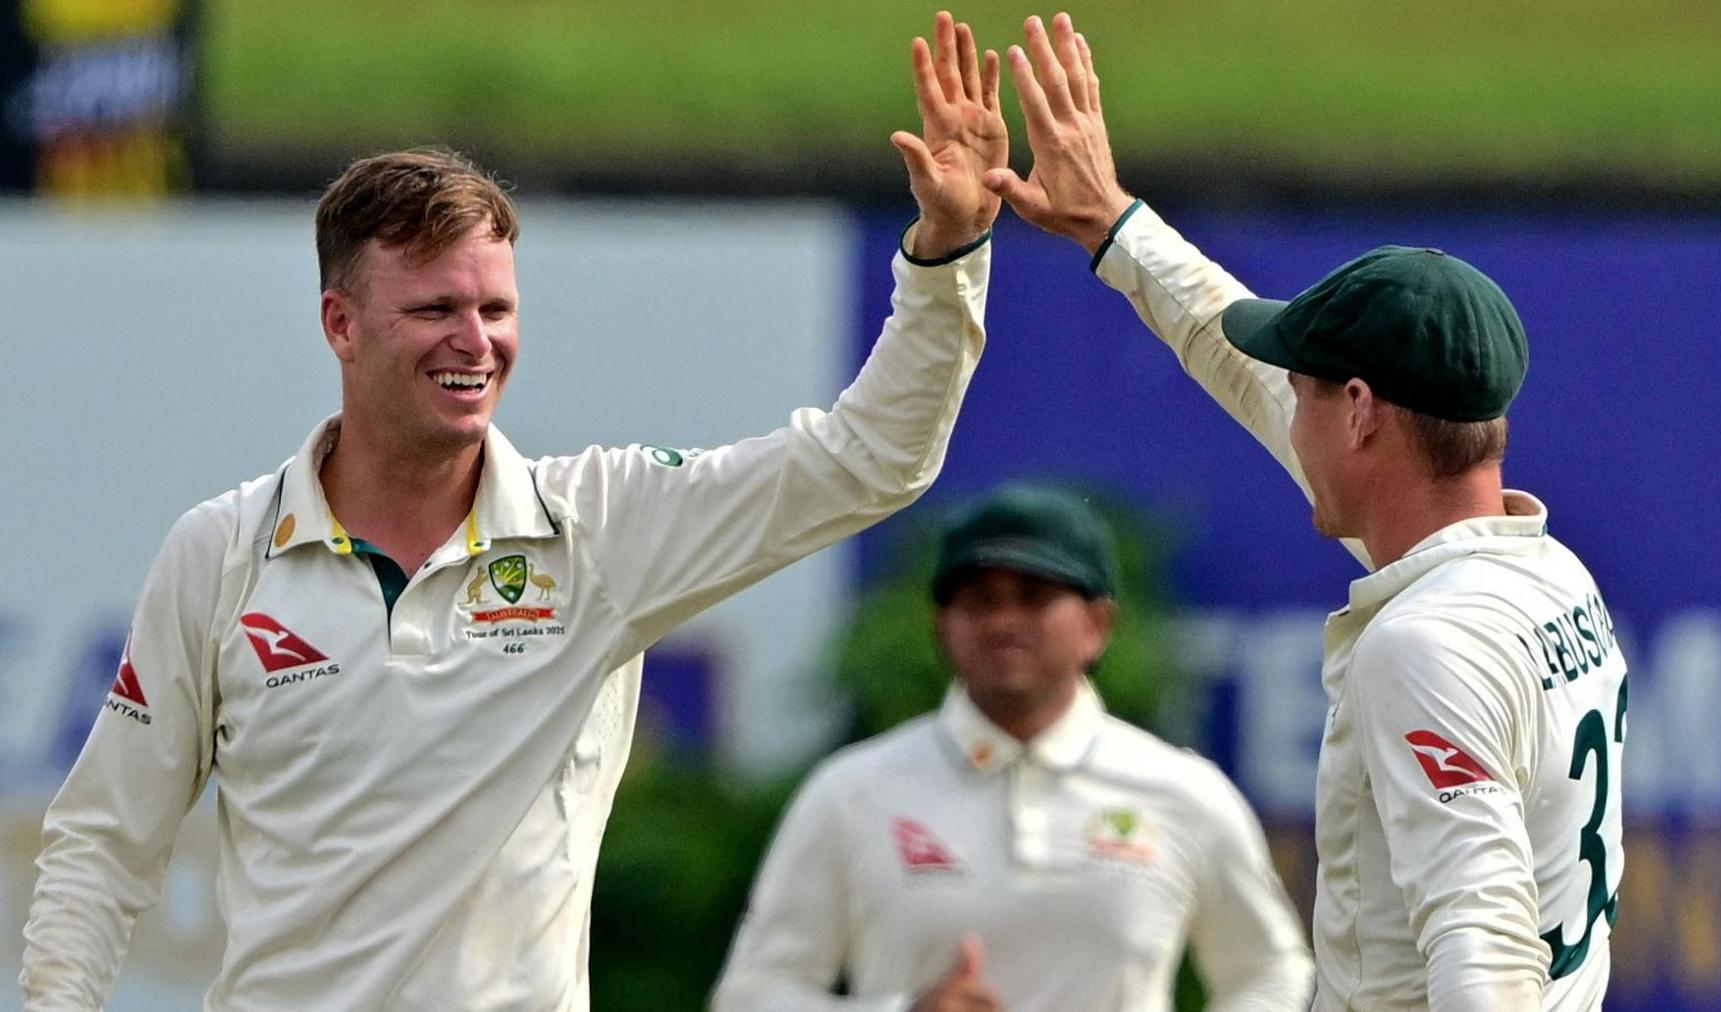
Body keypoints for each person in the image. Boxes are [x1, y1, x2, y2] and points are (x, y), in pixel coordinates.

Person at [20, 12, 1008, 1010]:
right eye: (435, 310)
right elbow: (104, 844)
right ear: (340, 324)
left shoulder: (603, 524)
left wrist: (948, 255)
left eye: (495, 308)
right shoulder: (221, 551)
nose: (475, 342)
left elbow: (870, 461)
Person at [980, 13, 1628, 1011]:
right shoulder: (1547, 574)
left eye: (1313, 387)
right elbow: (1258, 384)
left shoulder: (1425, 642)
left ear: (1362, 410)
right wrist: (1115, 228)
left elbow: (1482, 943)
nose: (1293, 405)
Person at [711, 485, 1314, 1012]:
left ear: (1097, 625)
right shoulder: (849, 792)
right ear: (940, 625)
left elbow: (1270, 969)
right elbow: (751, 994)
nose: (1003, 621)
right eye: (978, 599)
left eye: (1034, 595)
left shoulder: (1184, 791)